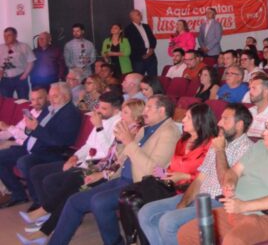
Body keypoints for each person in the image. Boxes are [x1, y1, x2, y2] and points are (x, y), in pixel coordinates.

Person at [46, 94, 182, 245]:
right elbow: (123, 157)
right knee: (74, 201)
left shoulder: (169, 132)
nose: (145, 111)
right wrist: (106, 168)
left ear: (161, 110)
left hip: (141, 184)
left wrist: (129, 141)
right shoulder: (146, 129)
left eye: (149, 107)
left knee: (99, 202)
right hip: (121, 178)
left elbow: (154, 169)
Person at [176, 111, 268, 245]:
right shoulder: (258, 147)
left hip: (266, 218)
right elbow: (234, 172)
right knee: (187, 233)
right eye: (266, 128)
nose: (264, 133)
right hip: (234, 210)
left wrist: (243, 206)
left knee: (233, 241)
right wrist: (229, 183)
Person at [18, 98, 141, 243]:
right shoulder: (123, 127)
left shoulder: (135, 133)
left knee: (75, 184)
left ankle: (45, 220)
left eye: (125, 113)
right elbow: (110, 156)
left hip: (115, 176)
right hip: (101, 167)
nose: (121, 115)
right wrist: (89, 165)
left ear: (136, 117)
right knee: (69, 184)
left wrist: (100, 171)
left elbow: (119, 161)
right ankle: (46, 223)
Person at [137, 104, 254, 245]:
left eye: (225, 119)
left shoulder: (247, 149)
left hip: (219, 202)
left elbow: (226, 183)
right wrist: (183, 203)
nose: (219, 123)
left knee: (168, 222)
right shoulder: (217, 142)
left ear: (239, 125)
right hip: (196, 196)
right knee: (145, 213)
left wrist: (219, 151)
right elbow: (199, 179)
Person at [0, 82, 82, 209]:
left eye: (55, 96)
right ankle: (18, 194)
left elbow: (60, 141)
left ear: (66, 97)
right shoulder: (50, 109)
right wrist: (29, 127)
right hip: (30, 147)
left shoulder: (70, 113)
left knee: (25, 162)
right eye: (50, 96)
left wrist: (36, 128)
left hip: (51, 152)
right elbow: (33, 129)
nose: (51, 99)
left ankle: (39, 201)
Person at [0, 27, 36, 99]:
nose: (6, 38)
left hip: (19, 78)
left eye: (8, 35)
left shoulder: (24, 46)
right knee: (5, 101)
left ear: (15, 35)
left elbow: (31, 61)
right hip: (5, 79)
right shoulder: (1, 48)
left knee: (23, 100)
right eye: (4, 36)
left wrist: (25, 74)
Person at [124, 10, 158, 77]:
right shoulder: (128, 29)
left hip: (151, 56)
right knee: (138, 79)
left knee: (153, 78)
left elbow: (153, 39)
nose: (141, 15)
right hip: (138, 58)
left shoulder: (146, 26)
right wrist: (144, 53)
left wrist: (151, 49)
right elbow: (132, 44)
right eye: (138, 14)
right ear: (132, 17)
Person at [246, 74, 268, 138]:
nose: (250, 92)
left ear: (265, 92)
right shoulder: (250, 111)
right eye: (250, 88)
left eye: (254, 88)